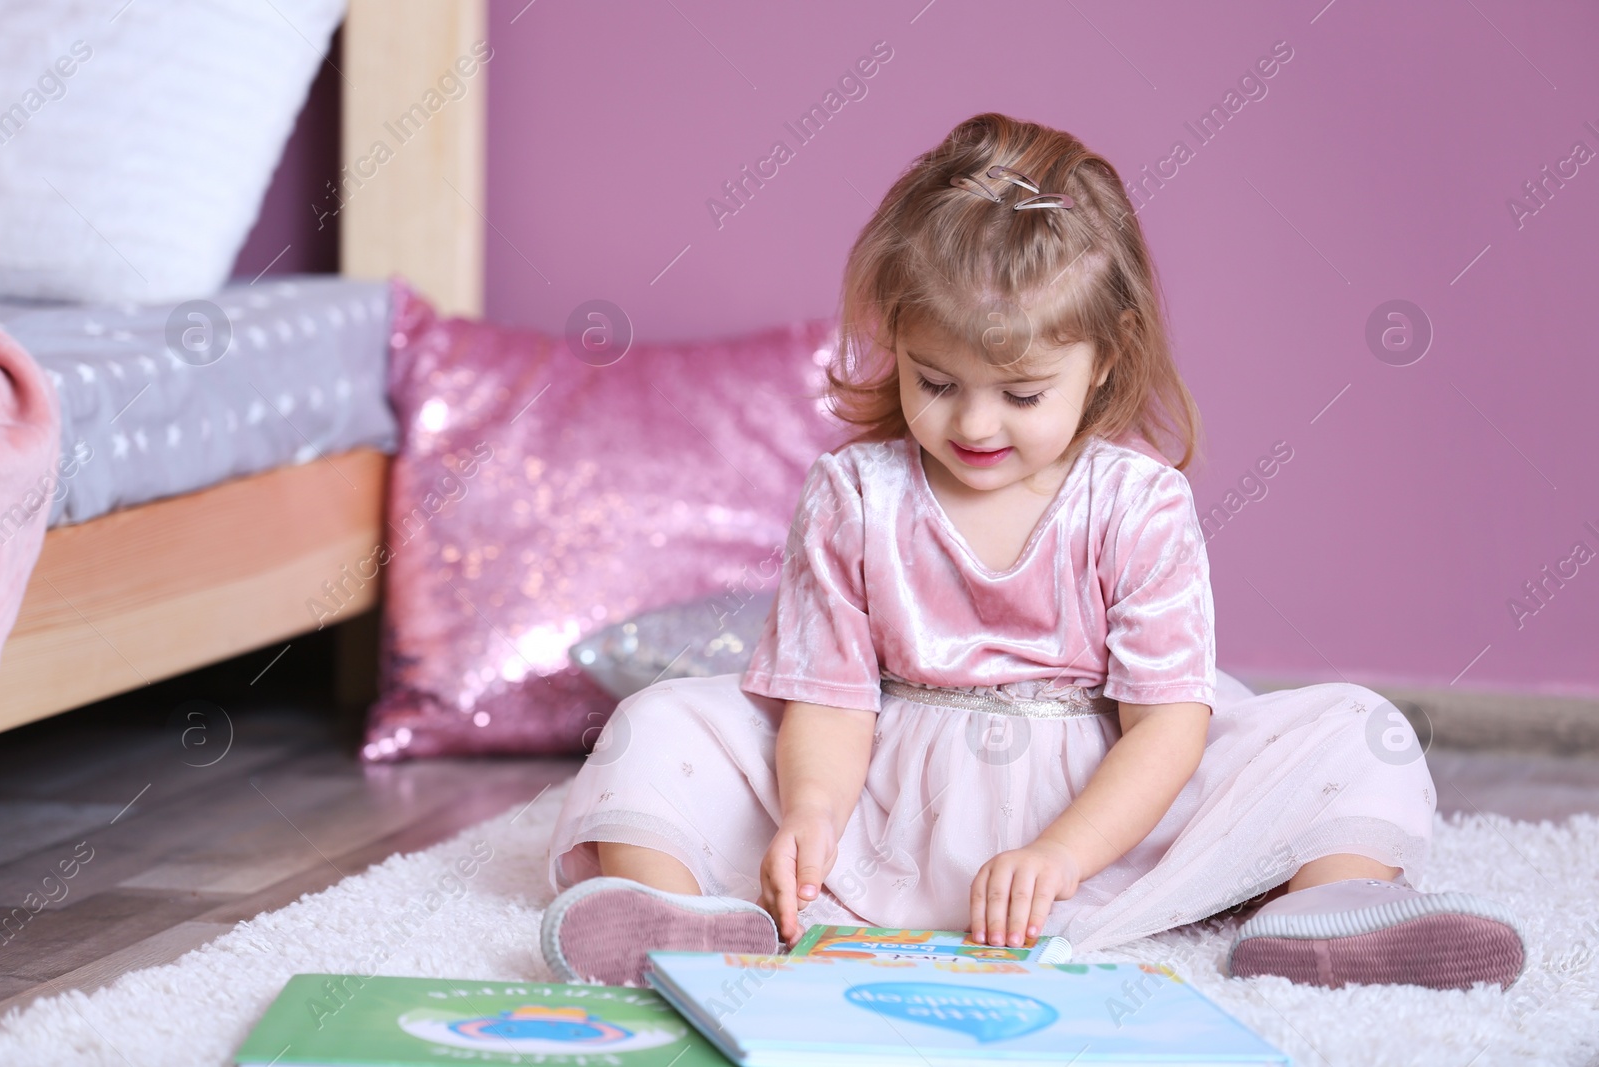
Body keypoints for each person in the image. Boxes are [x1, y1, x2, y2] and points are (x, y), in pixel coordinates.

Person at [538, 113, 1525, 991]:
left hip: (1097, 809)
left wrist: (1060, 852)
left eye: (1019, 394)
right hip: (888, 798)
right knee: (660, 720)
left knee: (1359, 728)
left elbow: (1167, 729)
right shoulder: (855, 492)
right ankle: (672, 909)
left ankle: (1324, 910)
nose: (972, 422)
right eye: (935, 380)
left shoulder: (1137, 501)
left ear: (1104, 358)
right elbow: (830, 699)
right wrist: (809, 817)